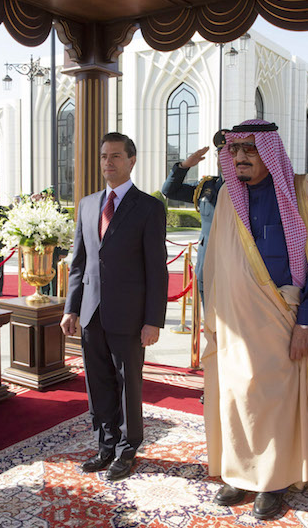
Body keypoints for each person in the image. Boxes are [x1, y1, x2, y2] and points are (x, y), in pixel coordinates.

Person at [202, 119, 308, 520]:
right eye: (234, 150)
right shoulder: (226, 197)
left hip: (283, 320)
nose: (239, 158)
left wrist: (306, 322)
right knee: (237, 397)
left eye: (249, 150)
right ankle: (239, 475)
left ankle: (272, 481)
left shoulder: (301, 191)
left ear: (270, 152)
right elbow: (217, 265)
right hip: (234, 320)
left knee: (272, 401)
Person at [60, 132, 168, 482]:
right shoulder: (88, 204)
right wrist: (70, 308)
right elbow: (79, 263)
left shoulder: (149, 207)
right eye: (105, 156)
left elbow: (157, 269)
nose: (109, 162)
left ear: (131, 161)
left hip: (130, 316)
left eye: (117, 156)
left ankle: (127, 448)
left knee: (127, 384)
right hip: (91, 313)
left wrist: (153, 320)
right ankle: (104, 445)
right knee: (99, 383)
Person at [161, 129, 228, 304]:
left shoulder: (249, 189)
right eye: (220, 153)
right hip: (206, 266)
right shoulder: (207, 186)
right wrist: (184, 166)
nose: (224, 157)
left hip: (233, 267)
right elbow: (169, 190)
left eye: (229, 152)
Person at [35, 187, 70, 296]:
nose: (45, 200)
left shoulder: (61, 212)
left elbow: (66, 233)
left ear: (53, 198)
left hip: (55, 249)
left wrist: (64, 251)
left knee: (54, 274)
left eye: (47, 197)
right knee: (42, 273)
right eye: (43, 198)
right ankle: (44, 294)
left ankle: (54, 296)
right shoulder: (40, 212)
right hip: (42, 248)